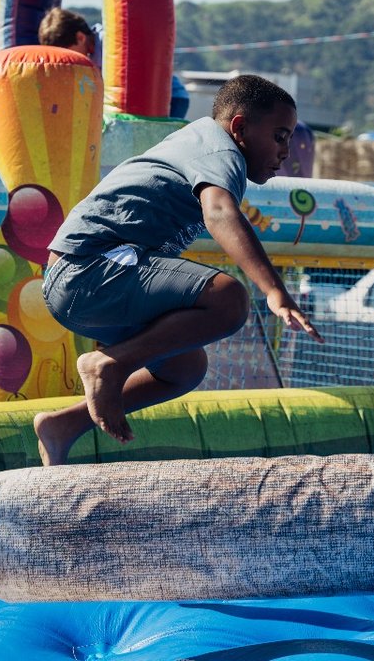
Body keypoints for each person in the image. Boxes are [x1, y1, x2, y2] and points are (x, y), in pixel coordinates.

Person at [35, 74, 322, 464]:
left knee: (185, 368)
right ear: (239, 127)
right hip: (88, 270)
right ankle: (108, 365)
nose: (286, 150)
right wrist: (274, 290)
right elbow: (219, 211)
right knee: (230, 299)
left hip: (88, 285)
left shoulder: (203, 144)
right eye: (280, 136)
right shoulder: (221, 152)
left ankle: (62, 426)